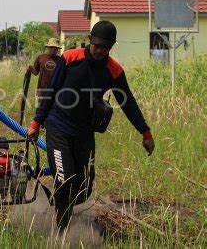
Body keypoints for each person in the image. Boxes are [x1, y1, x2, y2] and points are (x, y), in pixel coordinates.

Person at [27, 21, 155, 230]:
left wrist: (146, 132)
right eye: (97, 45)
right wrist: (36, 122)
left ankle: (61, 204)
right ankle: (62, 232)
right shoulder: (70, 58)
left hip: (84, 132)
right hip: (58, 126)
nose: (100, 50)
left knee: (84, 186)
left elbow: (128, 102)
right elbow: (50, 90)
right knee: (65, 179)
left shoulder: (114, 70)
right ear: (89, 39)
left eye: (106, 47)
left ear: (112, 46)